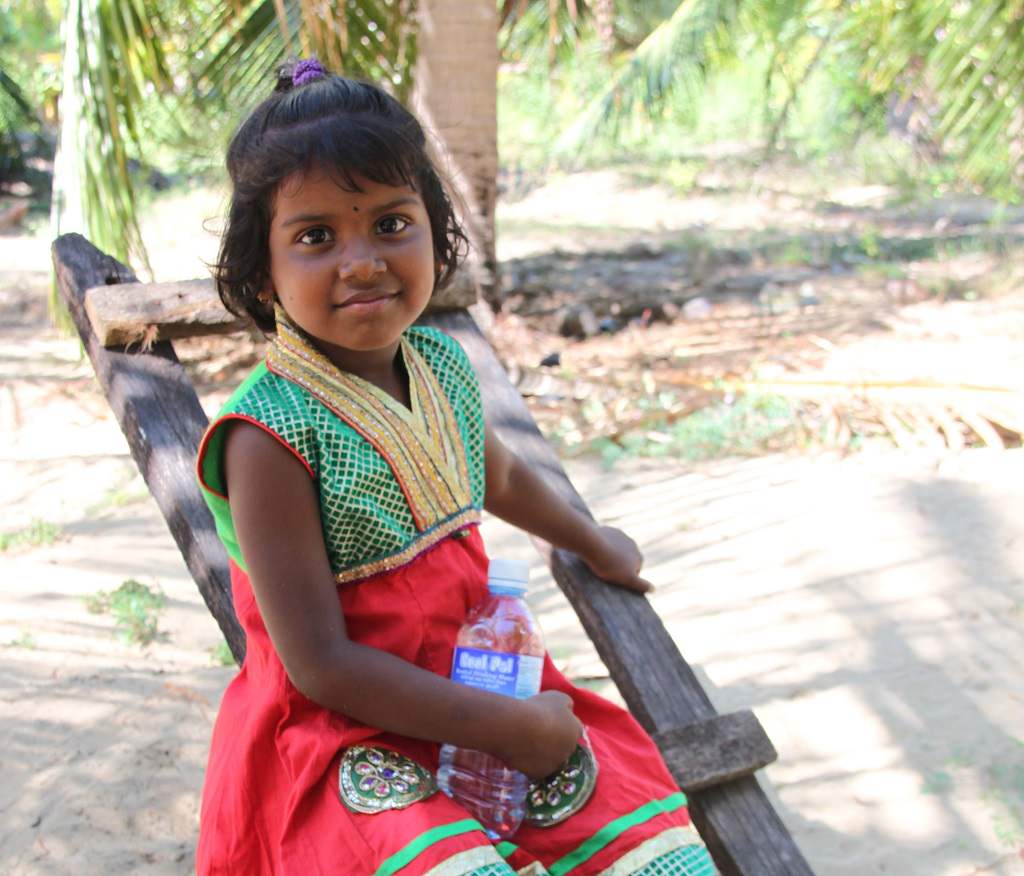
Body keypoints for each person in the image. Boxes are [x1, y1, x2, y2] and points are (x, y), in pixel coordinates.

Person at [195, 57, 716, 876]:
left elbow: (497, 478)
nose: (362, 260)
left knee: (659, 861)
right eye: (316, 237)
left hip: (487, 678)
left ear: (438, 233)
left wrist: (589, 535)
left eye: (392, 224)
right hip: (348, 735)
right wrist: (512, 731)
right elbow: (320, 666)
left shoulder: (438, 364)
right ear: (264, 274)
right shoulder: (268, 435)